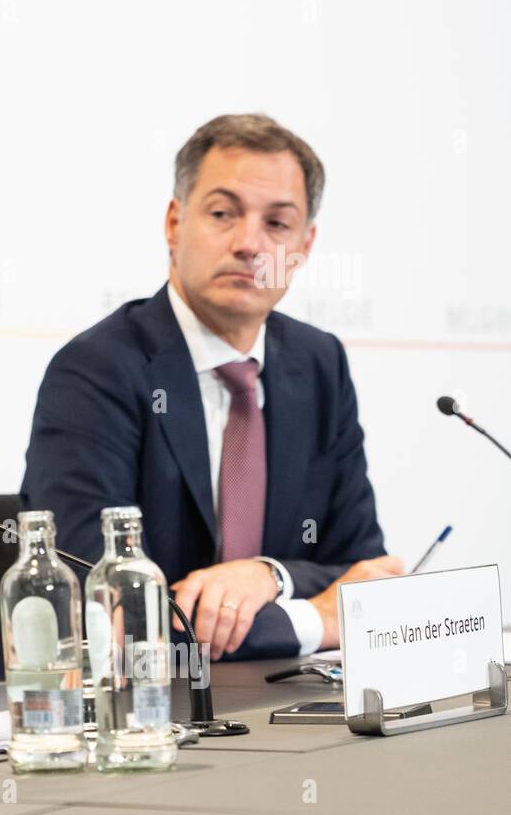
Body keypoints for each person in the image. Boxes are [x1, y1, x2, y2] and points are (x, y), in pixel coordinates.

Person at [21, 113, 403, 662]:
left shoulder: (319, 364)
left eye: (277, 224)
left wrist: (268, 576)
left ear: (305, 245)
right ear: (174, 224)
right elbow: (106, 609)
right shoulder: (95, 371)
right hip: (129, 709)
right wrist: (317, 616)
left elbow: (368, 574)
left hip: (273, 707)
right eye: (223, 213)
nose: (250, 244)